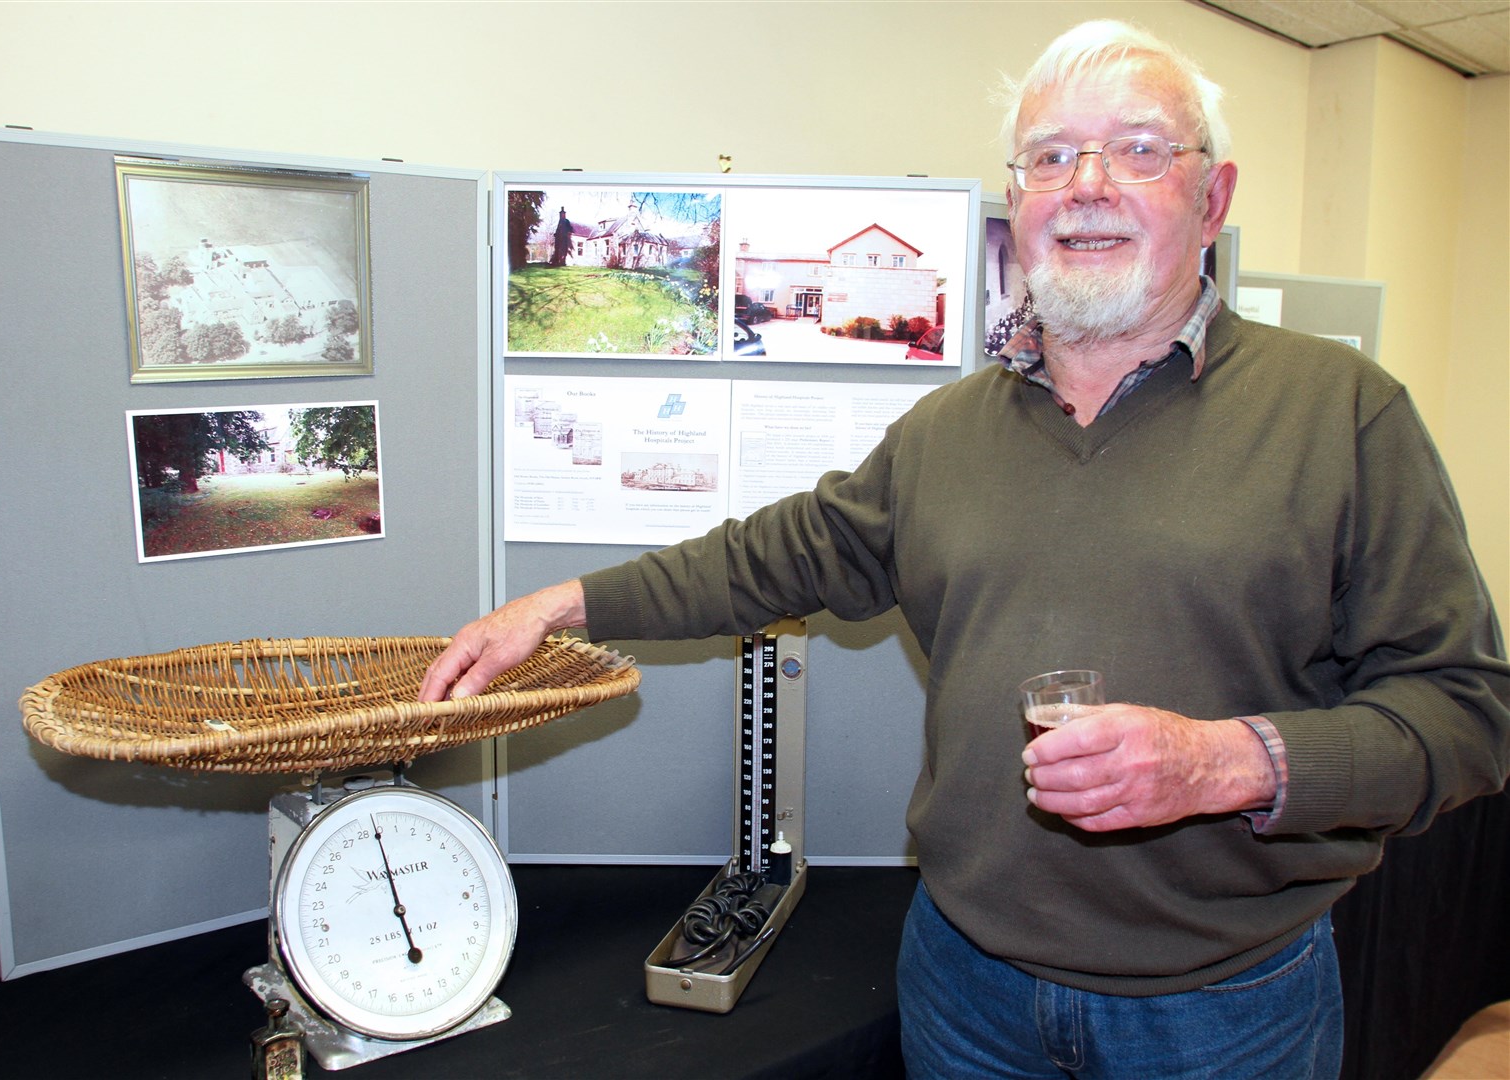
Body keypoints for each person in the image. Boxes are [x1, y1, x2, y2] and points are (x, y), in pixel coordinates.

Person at [421, 20, 1510, 1079]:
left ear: (1213, 196)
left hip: (1224, 1011)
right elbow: (772, 556)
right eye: (1049, 157)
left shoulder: (1343, 412)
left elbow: (1467, 713)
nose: (1087, 183)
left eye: (1137, 149)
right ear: (1020, 201)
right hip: (965, 985)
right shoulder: (948, 434)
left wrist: (1226, 763)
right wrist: (559, 605)